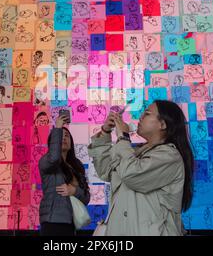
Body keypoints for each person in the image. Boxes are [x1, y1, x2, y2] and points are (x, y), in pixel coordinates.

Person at [88, 100, 194, 236]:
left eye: (147, 114)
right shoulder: (134, 153)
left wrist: (123, 137)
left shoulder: (169, 156)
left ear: (163, 124)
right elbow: (105, 171)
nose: (141, 117)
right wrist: (104, 132)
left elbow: (132, 174)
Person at [39, 113, 90, 236]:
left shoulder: (76, 166)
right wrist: (57, 127)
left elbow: (86, 197)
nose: (63, 138)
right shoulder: (46, 161)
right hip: (53, 222)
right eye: (60, 135)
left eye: (66, 136)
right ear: (53, 142)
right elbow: (54, 158)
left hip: (71, 223)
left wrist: (74, 191)